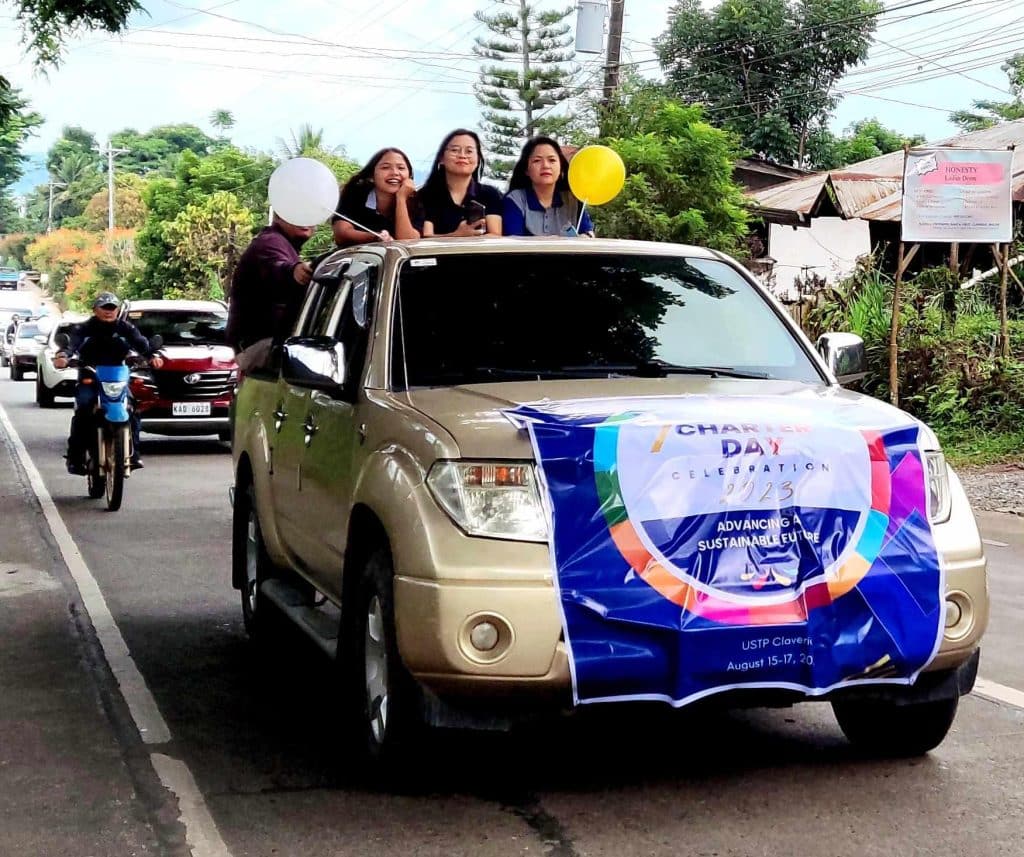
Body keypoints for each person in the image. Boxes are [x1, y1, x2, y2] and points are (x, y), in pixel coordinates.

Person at [55, 292, 164, 473]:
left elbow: (140, 343)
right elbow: (71, 344)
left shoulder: (125, 328)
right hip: (90, 375)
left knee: (132, 407)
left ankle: (134, 453)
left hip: (117, 376)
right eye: (104, 308)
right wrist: (63, 356)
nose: (108, 311)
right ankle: (76, 456)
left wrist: (152, 356)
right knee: (83, 408)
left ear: (118, 310)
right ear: (95, 310)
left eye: (112, 308)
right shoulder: (85, 328)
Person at [226, 214, 315, 373]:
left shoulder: (283, 244)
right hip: (261, 351)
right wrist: (294, 272)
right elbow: (277, 267)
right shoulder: (271, 242)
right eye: (298, 212)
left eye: (310, 213)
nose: (305, 219)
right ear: (279, 216)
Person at [503, 136, 595, 237]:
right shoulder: (515, 200)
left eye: (552, 160)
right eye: (537, 161)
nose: (546, 166)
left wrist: (586, 236)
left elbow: (588, 233)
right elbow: (514, 243)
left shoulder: (572, 200)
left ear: (561, 167)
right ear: (526, 170)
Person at [418, 129, 503, 237]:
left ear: (478, 159)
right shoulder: (426, 195)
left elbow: (495, 235)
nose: (462, 156)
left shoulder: (490, 194)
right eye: (455, 150)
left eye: (469, 151)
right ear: (441, 158)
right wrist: (456, 236)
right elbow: (425, 238)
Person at [333, 148, 421, 246]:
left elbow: (408, 241)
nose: (395, 173)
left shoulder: (418, 202)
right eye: (385, 167)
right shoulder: (355, 195)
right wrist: (375, 237)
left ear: (409, 176)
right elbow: (341, 234)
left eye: (401, 168)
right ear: (372, 175)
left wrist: (401, 199)